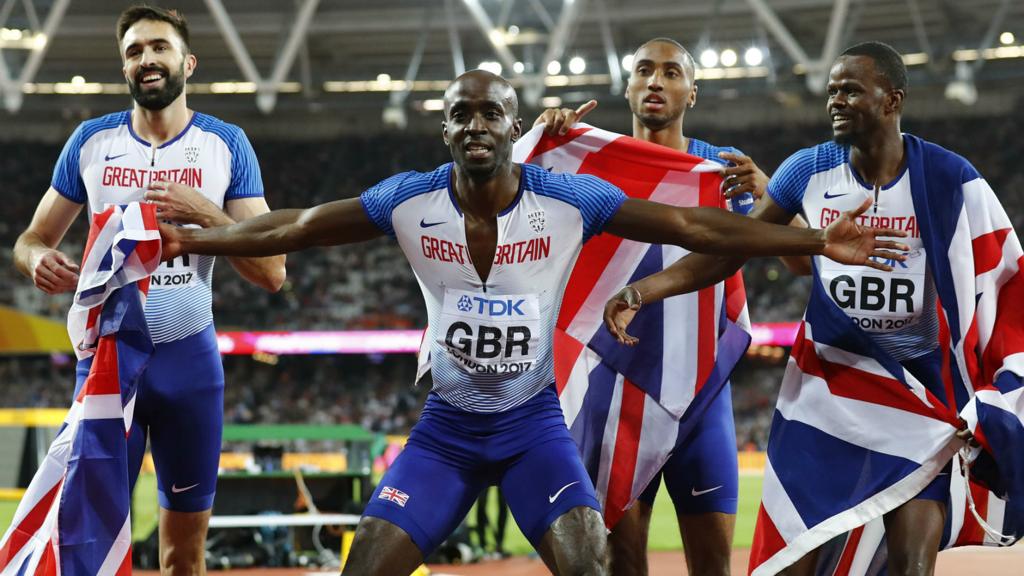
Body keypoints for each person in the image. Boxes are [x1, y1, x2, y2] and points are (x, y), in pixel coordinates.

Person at [159, 68, 905, 576]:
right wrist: (197, 239)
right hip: (446, 432)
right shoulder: (408, 201)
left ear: (514, 126)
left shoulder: (568, 199)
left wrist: (813, 238)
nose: (475, 124)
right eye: (460, 114)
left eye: (489, 113)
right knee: (365, 564)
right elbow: (290, 228)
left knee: (591, 562)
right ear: (444, 130)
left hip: (532, 430)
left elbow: (692, 225)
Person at [603, 41, 979, 576]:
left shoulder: (945, 177)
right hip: (825, 395)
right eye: (832, 91)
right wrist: (644, 290)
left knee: (911, 568)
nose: (836, 101)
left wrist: (989, 387)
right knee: (785, 566)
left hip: (916, 399)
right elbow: (727, 252)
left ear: (892, 100)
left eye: (851, 90)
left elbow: (992, 279)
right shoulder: (807, 170)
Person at [12, 5, 285, 573]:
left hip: (190, 365)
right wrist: (38, 258)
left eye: (158, 47)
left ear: (187, 62)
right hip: (109, 365)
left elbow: (273, 270)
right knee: (87, 545)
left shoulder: (225, 144)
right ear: (125, 68)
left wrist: (206, 213)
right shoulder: (90, 142)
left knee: (183, 555)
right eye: (134, 51)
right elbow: (31, 238)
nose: (146, 59)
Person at [534, 37, 808, 576]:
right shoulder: (589, 163)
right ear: (628, 86)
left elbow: (801, 262)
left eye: (671, 73)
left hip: (702, 394)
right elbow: (509, 198)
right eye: (644, 70)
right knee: (624, 565)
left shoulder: (724, 169)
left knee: (713, 568)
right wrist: (544, 140)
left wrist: (770, 194)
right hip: (615, 393)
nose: (656, 81)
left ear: (692, 93)